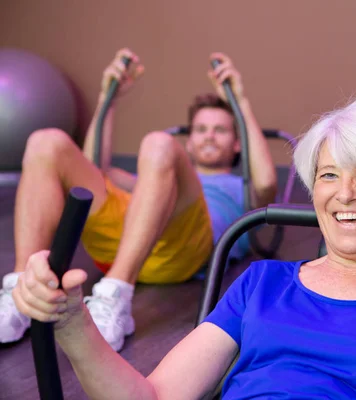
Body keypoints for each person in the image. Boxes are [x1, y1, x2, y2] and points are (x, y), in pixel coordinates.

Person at [12, 94, 356, 399]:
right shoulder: (261, 283)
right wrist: (73, 326)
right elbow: (155, 396)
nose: (344, 193)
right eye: (328, 175)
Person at [0, 48, 277, 351]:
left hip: (182, 251)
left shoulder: (240, 186)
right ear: (191, 142)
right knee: (46, 142)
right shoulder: (153, 177)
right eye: (201, 129)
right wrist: (111, 98)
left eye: (220, 130)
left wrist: (241, 102)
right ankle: (19, 290)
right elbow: (94, 172)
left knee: (158, 142)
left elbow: (265, 182)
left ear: (238, 144)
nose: (209, 136)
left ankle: (116, 292)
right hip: (128, 239)